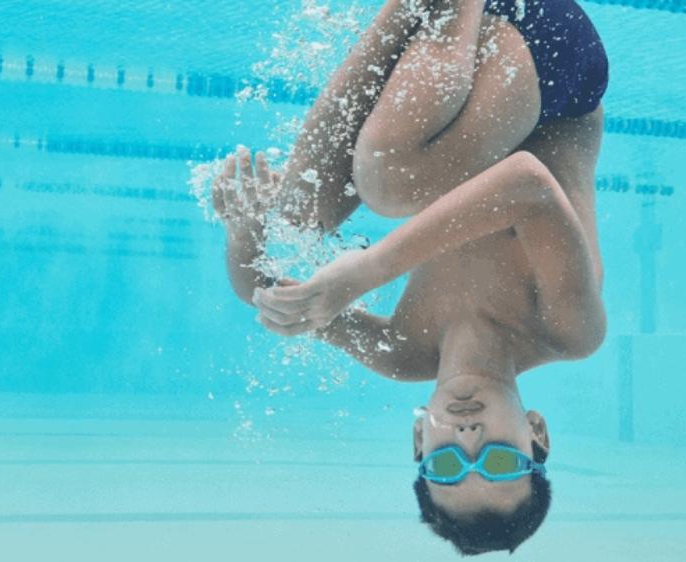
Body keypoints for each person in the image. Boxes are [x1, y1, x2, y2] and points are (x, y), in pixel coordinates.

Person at [212, 0, 608, 554]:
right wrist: (365, 272)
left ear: (420, 439)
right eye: (498, 460)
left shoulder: (399, 353)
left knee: (297, 212)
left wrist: (245, 232)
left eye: (447, 464)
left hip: (473, 82)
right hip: (554, 63)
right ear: (536, 432)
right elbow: (527, 183)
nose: (468, 437)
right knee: (388, 182)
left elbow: (263, 296)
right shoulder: (569, 331)